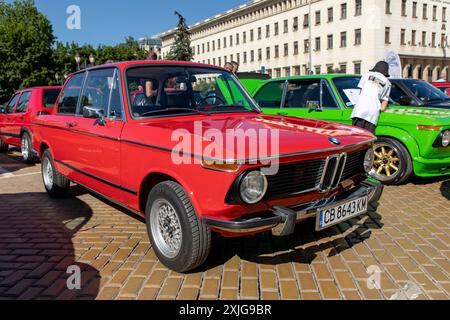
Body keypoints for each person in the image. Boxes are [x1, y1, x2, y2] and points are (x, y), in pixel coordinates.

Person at [351, 61, 391, 134]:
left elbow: (361, 91)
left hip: (360, 110)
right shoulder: (387, 82)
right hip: (373, 114)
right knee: (368, 138)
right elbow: (384, 104)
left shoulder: (367, 74)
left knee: (356, 137)